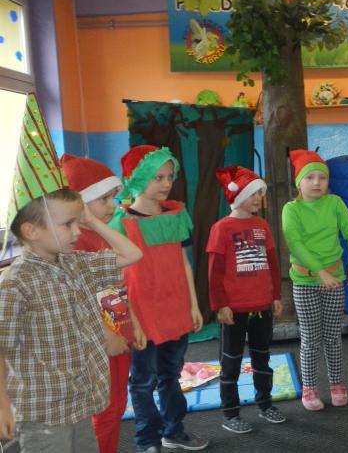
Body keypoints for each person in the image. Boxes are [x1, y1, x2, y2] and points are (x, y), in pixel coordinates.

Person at [0, 185, 142, 452]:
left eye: (79, 222)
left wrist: (92, 221)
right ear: (31, 230)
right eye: (68, 224)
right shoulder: (16, 283)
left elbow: (132, 254)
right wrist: (2, 405)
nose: (78, 231)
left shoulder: (76, 263)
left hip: (80, 401)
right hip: (44, 413)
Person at [109, 145, 207, 452]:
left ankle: (173, 431)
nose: (166, 183)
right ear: (138, 179)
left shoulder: (176, 214)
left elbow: (184, 262)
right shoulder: (121, 222)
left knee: (171, 375)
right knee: (142, 381)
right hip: (143, 313)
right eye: (157, 177)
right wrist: (132, 320)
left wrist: (193, 304)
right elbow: (118, 279)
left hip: (176, 307)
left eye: (169, 176)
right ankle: (147, 440)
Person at [61, 153, 147, 453]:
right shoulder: (75, 244)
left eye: (114, 197)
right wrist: (106, 334)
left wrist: (134, 322)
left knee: (115, 407)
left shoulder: (102, 236)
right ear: (81, 204)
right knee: (104, 411)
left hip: (118, 335)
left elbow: (118, 286)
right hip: (100, 342)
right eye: (104, 199)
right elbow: (77, 298)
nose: (113, 205)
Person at [281, 150, 348, 411]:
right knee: (310, 338)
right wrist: (320, 272)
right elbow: (295, 243)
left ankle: (337, 383)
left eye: (322, 177)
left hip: (334, 280)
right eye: (310, 177)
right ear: (299, 182)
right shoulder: (291, 209)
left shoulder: (335, 203)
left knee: (332, 336)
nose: (317, 182)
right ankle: (309, 387)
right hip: (305, 281)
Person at [207, 165, 285, 433]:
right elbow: (214, 272)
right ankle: (230, 414)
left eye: (260, 194)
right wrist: (220, 305)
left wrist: (276, 295)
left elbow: (272, 264)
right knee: (231, 362)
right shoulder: (221, 228)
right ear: (237, 195)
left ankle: (266, 404)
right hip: (234, 311)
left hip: (262, 307)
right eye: (253, 194)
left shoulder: (262, 225)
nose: (258, 199)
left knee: (262, 359)